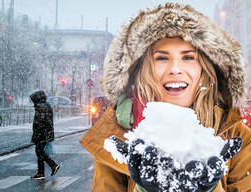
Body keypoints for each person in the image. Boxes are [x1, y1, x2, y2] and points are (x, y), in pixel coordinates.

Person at [80, 3, 251, 192]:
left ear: (205, 68)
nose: (175, 69)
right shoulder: (115, 137)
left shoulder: (239, 138)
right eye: (162, 58)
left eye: (188, 57)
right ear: (143, 69)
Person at [30, 90, 60, 180]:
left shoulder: (41, 107)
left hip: (41, 134)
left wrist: (37, 134)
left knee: (39, 152)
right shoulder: (46, 106)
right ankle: (41, 173)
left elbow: (40, 122)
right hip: (45, 133)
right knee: (39, 152)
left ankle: (53, 165)